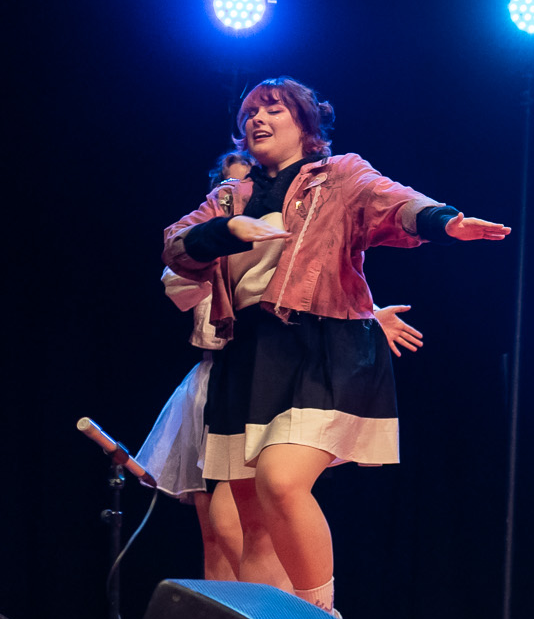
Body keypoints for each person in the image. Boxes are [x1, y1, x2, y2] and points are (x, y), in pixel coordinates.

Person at [161, 78, 509, 618]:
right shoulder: (230, 198)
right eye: (250, 113)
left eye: (273, 110)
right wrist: (229, 229)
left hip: (320, 345)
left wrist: (446, 222)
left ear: (305, 124)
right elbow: (177, 246)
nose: (257, 120)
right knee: (252, 521)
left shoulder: (338, 175)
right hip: (246, 354)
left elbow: (395, 204)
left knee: (281, 481)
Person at [139, 151, 424, 586]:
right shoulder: (220, 226)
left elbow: (308, 279)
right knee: (221, 525)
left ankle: (308, 612)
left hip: (279, 363)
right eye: (235, 185)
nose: (253, 190)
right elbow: (179, 277)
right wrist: (227, 234)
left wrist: (368, 314)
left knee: (264, 502)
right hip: (227, 374)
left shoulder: (304, 209)